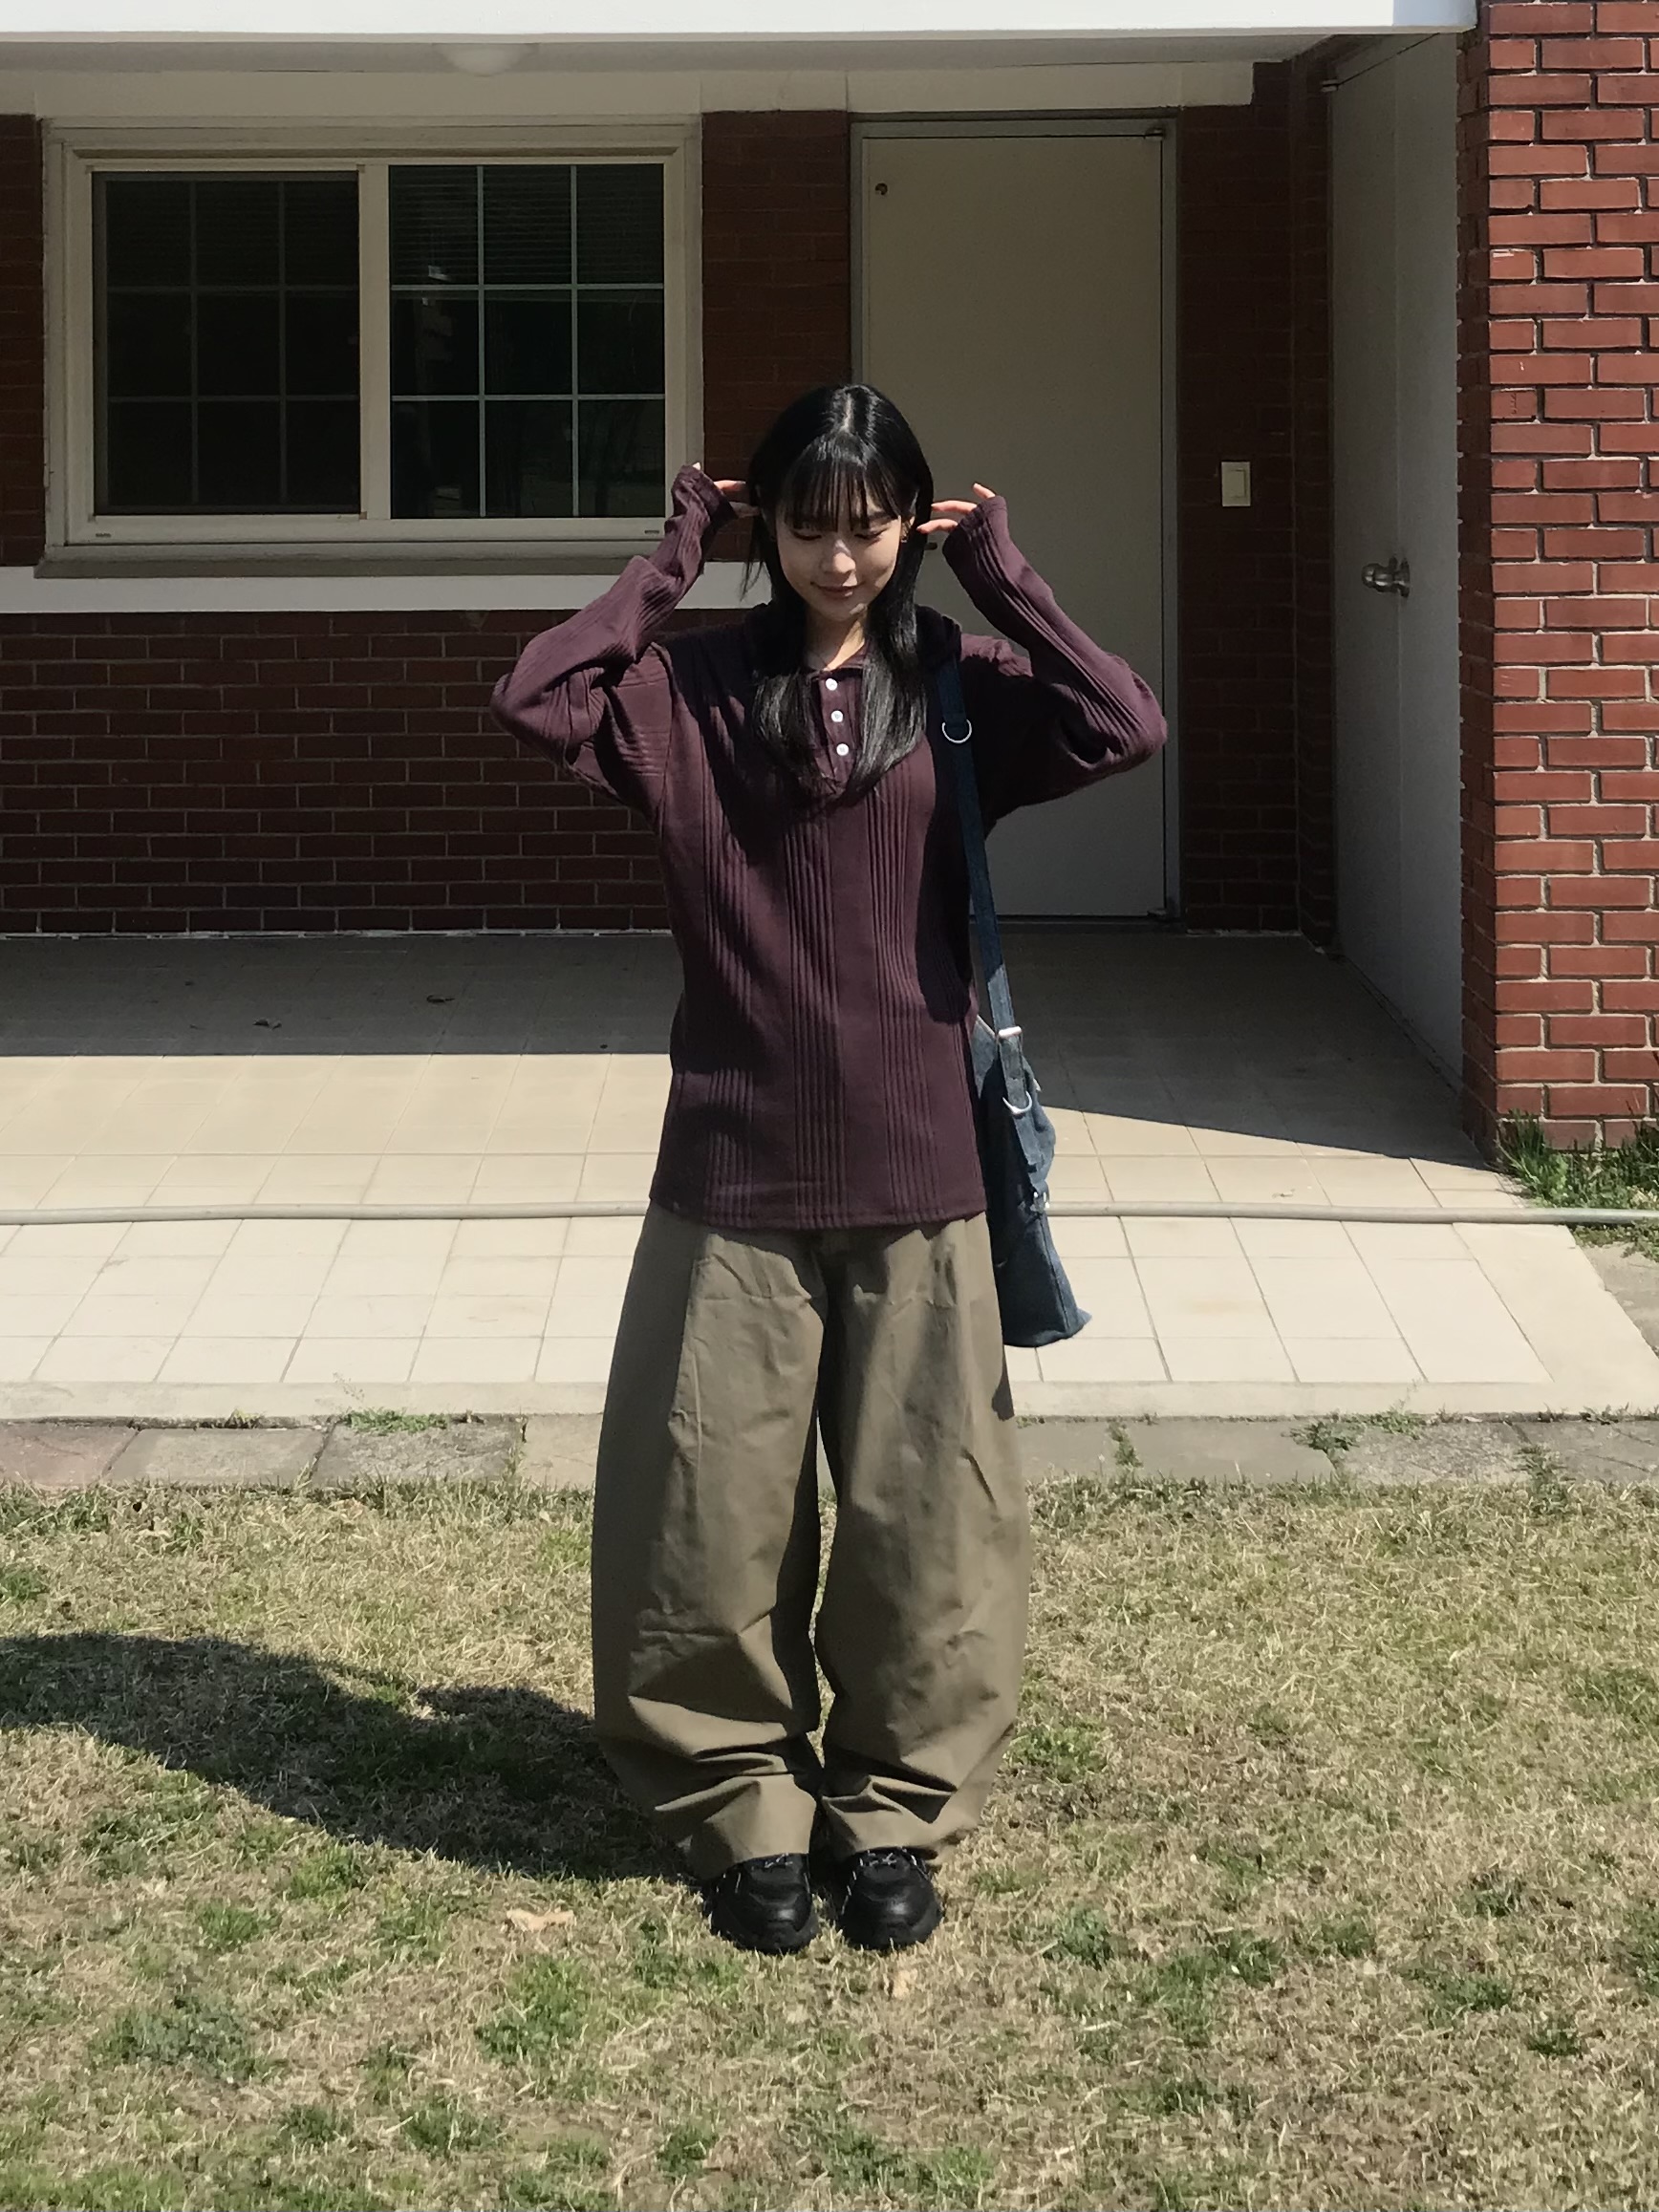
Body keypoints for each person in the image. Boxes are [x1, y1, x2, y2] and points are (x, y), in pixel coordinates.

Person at [491, 383, 1165, 1956]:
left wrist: (1004, 576)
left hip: (920, 1163)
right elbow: (537, 700)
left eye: (869, 524)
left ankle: (894, 1805)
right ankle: (736, 1803)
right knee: (703, 1511)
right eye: (808, 524)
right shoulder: (689, 689)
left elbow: (1126, 722)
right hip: (732, 1160)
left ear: (908, 524)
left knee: (930, 1514)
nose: (840, 556)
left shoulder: (956, 685)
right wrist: (668, 562)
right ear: (767, 525)